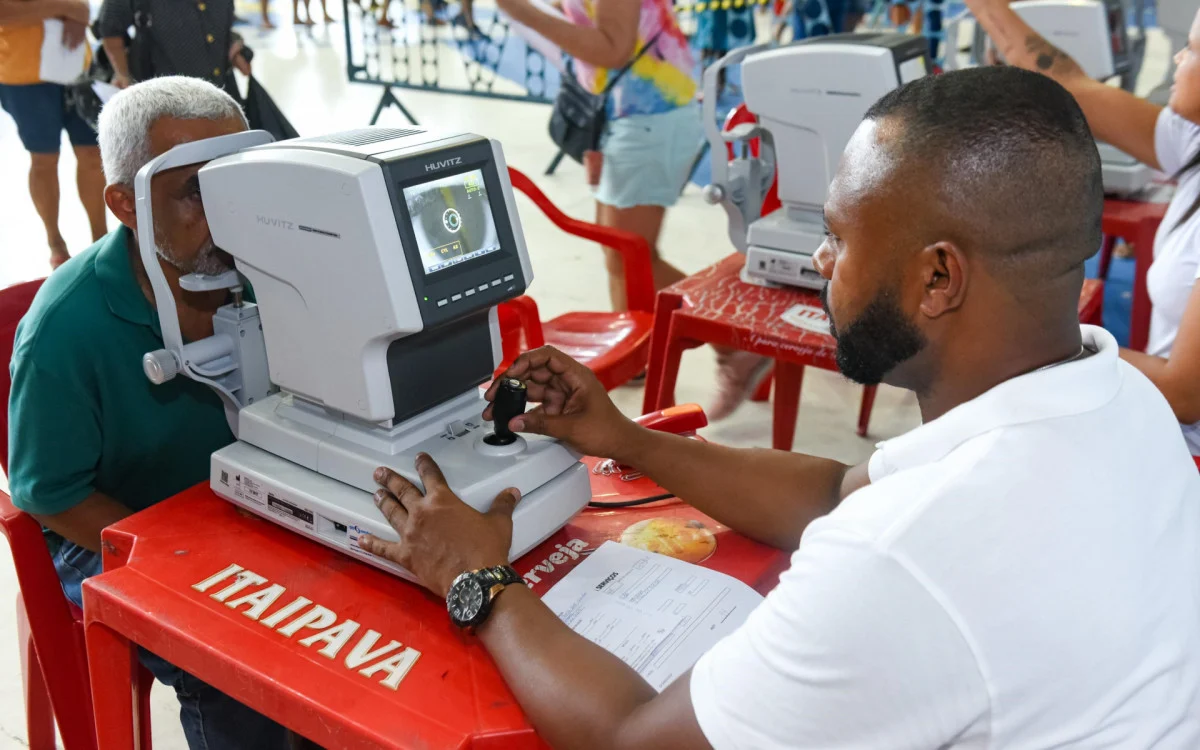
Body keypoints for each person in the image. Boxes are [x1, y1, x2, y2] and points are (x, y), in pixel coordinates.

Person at [358, 67, 1200, 748]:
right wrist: (622, 439)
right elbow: (835, 495)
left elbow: (630, 739)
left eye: (840, 234)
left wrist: (474, 577)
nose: (823, 257)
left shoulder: (909, 556)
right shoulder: (1117, 397)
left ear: (938, 277)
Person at [6, 76, 292, 750]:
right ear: (125, 204)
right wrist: (181, 557)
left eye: (236, 186)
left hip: (233, 509)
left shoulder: (267, 277)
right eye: (195, 193)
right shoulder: (67, 328)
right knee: (229, 661)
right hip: (108, 527)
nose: (224, 218)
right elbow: (49, 492)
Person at [966, 0, 1200, 457]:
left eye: (1191, 51)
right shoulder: (1193, 142)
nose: (1177, 58)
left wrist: (1034, 338)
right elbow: (1067, 84)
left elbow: (1185, 395)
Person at [495, 0, 703, 313]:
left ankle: (730, 338)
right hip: (628, 114)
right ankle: (648, 352)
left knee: (630, 259)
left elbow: (613, 49)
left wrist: (521, 11)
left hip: (651, 113)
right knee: (620, 257)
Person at [0, 0, 107, 269]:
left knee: (93, 155)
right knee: (44, 159)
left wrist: (76, 12)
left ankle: (101, 239)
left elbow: (83, 8)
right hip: (24, 76)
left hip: (77, 66)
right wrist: (67, 9)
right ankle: (55, 242)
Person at [94, 0, 250, 91]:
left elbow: (219, 23)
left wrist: (233, 49)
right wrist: (122, 75)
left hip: (221, 94)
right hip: (163, 103)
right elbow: (110, 27)